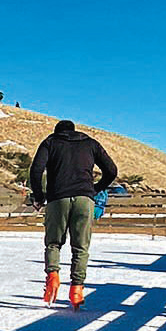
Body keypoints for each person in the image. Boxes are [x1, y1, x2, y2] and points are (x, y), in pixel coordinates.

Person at [29, 120, 118, 309]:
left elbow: (36, 170)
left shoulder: (50, 142)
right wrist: (94, 189)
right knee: (80, 247)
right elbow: (111, 170)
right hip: (84, 199)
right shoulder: (90, 143)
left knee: (53, 243)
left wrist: (38, 197)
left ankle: (52, 278)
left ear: (57, 131)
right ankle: (77, 289)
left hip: (57, 199)